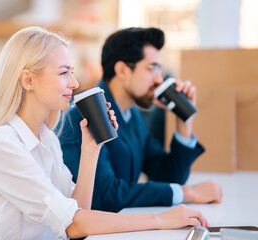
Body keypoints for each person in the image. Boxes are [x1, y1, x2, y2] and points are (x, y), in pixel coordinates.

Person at [0, 26, 208, 240]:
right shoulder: (2, 145)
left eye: (71, 72)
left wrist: (90, 150)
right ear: (28, 81)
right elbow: (73, 224)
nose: (75, 83)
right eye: (63, 73)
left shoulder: (46, 138)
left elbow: (77, 210)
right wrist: (160, 220)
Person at [58, 27, 223, 213]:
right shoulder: (84, 116)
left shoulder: (134, 115)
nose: (159, 79)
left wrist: (183, 120)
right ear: (122, 70)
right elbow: (105, 195)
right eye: (152, 69)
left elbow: (167, 176)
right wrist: (187, 193)